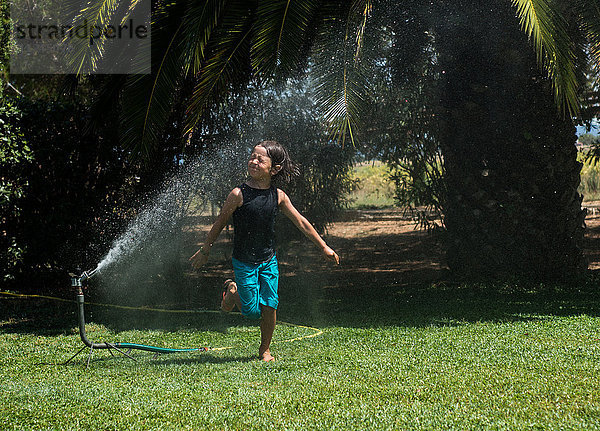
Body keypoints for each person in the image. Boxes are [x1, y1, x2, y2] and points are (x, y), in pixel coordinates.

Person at [189, 140, 339, 362]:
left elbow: (302, 222)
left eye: (261, 159)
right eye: (252, 157)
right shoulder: (238, 194)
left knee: (270, 303)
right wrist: (205, 249)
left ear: (275, 168)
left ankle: (264, 350)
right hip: (244, 260)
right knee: (251, 311)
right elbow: (220, 222)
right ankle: (232, 290)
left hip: (268, 258)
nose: (254, 161)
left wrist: (323, 246)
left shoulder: (278, 196)